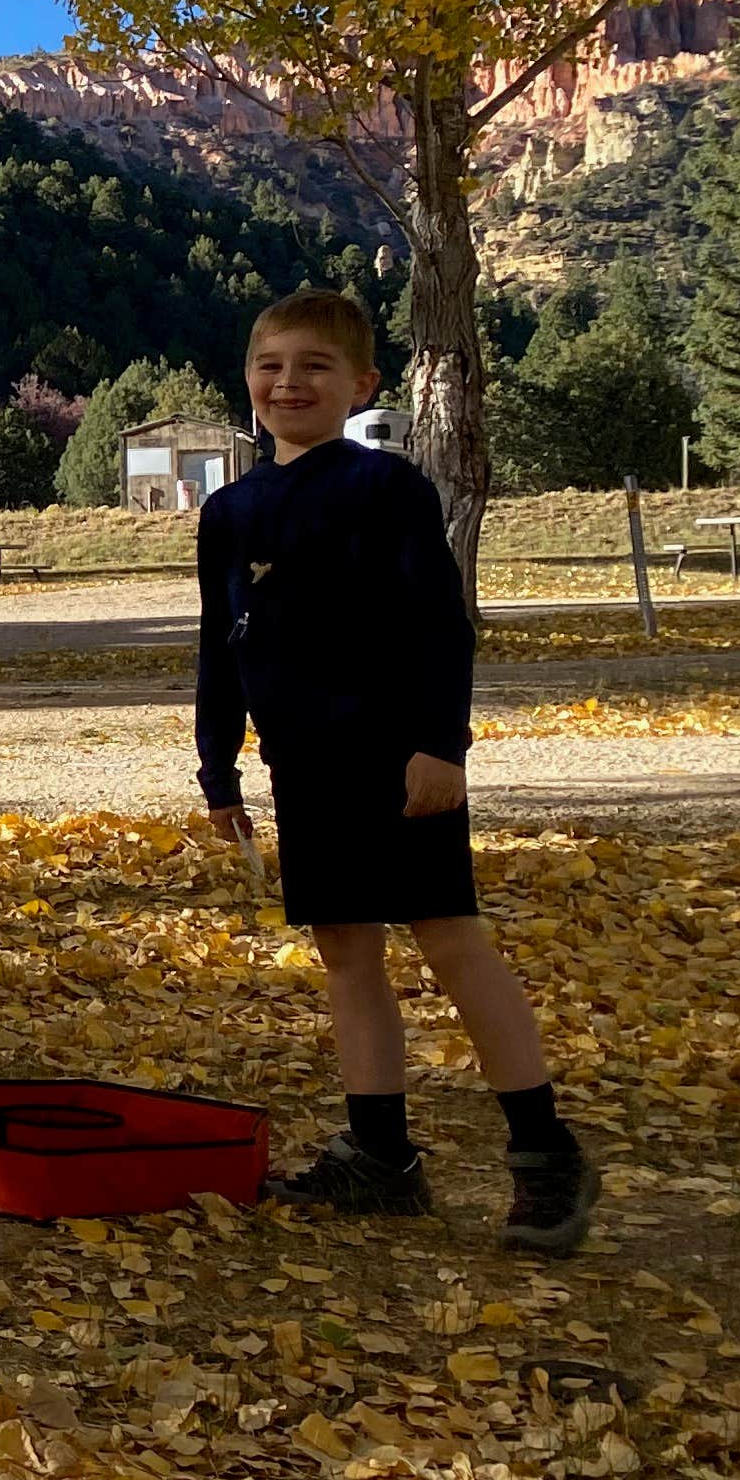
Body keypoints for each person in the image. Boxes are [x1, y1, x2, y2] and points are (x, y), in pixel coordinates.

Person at [195, 288, 594, 1251]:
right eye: (271, 366)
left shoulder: (387, 489)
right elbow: (222, 646)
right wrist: (220, 773)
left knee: (450, 940)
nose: (290, 383)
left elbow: (437, 629)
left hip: (395, 761)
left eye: (315, 368)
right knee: (345, 951)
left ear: (363, 384)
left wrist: (439, 746)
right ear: (247, 380)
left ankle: (546, 1155)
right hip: (305, 770)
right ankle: (382, 1156)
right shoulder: (228, 511)